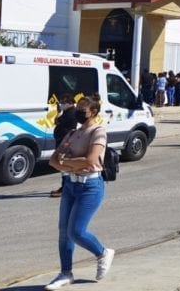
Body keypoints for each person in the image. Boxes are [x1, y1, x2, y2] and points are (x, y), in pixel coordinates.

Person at [46, 96, 115, 290]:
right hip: (70, 185)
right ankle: (65, 273)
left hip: (90, 187)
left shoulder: (98, 132)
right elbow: (52, 161)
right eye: (77, 110)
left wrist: (66, 162)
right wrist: (71, 163)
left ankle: (102, 253)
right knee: (63, 232)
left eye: (82, 111)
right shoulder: (72, 133)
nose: (78, 114)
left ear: (93, 112)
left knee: (76, 231)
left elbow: (91, 160)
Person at [50, 95, 78, 198]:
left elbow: (57, 121)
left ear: (70, 103)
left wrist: (58, 113)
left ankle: (65, 188)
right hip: (62, 140)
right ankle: (65, 187)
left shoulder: (71, 112)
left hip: (65, 141)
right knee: (63, 166)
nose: (61, 104)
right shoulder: (67, 112)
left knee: (64, 165)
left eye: (63, 102)